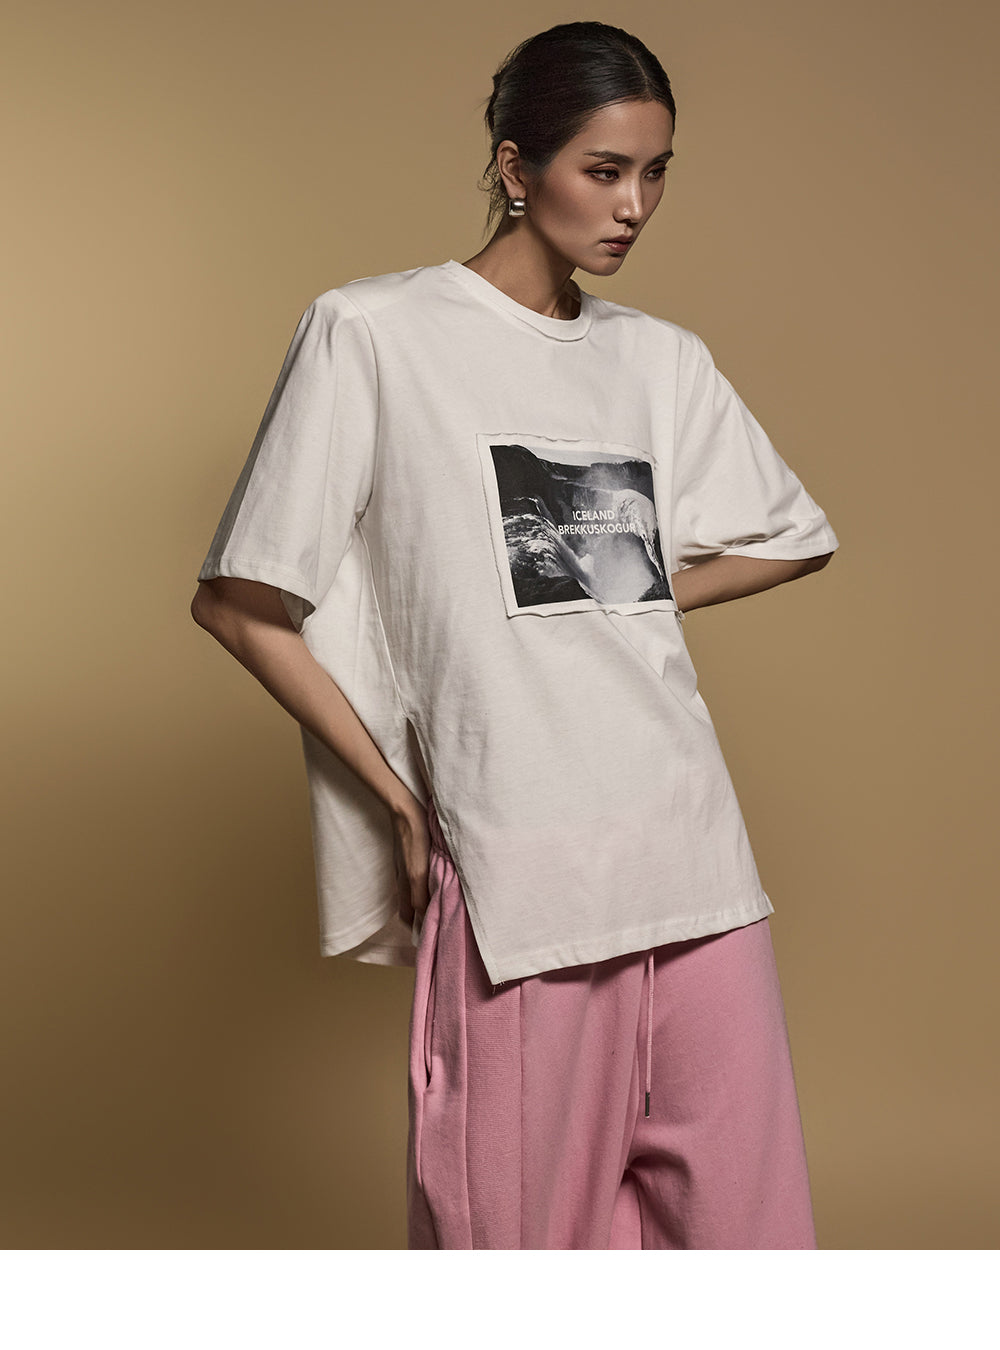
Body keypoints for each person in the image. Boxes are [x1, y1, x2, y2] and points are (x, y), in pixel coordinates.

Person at [191, 21, 838, 1249]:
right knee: (515, 1250)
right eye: (604, 170)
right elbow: (239, 603)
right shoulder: (374, 333)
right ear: (514, 166)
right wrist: (396, 800)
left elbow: (796, 536)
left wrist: (628, 582)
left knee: (749, 1249)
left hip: (694, 855)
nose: (634, 205)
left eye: (655, 173)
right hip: (523, 867)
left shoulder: (658, 360)